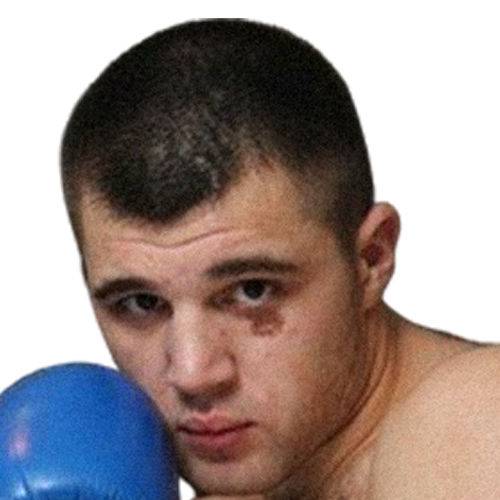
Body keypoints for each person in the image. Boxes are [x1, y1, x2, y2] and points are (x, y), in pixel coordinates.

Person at [59, 20, 500, 500]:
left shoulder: (473, 414)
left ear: (370, 260)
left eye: (252, 290)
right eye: (141, 303)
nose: (193, 373)